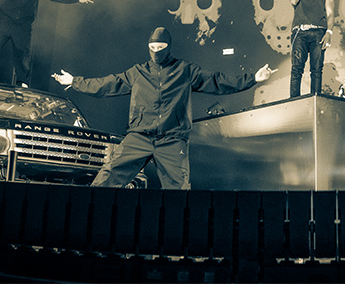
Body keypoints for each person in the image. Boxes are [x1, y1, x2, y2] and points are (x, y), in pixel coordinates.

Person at [52, 27, 276, 189]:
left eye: (160, 47)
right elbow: (109, 83)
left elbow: (217, 81)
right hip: (139, 136)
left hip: (172, 139)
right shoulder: (138, 72)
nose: (156, 51)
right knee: (108, 177)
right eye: (152, 47)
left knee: (178, 189)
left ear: (168, 47)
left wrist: (253, 79)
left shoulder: (185, 70)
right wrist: (75, 81)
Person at [289, 0, 335, 97]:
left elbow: (330, 13)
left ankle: (315, 99)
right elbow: (294, 0)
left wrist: (329, 32)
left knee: (316, 70)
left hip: (318, 32)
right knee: (296, 69)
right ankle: (294, 100)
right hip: (299, 32)